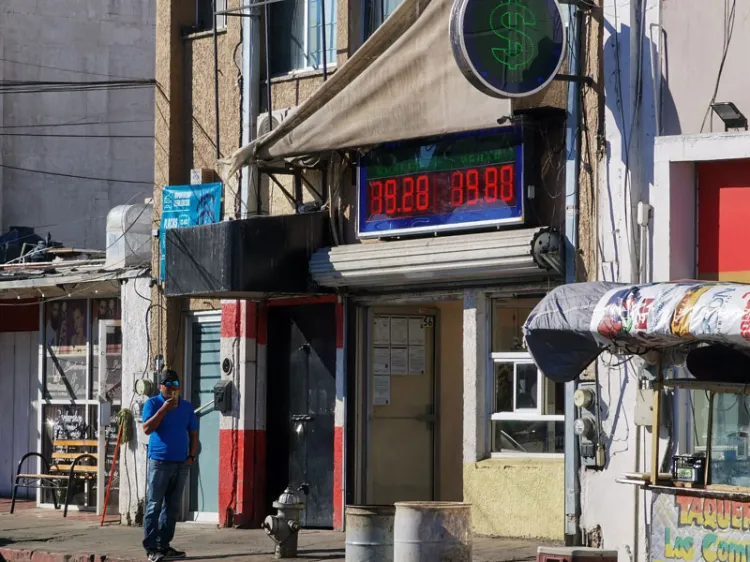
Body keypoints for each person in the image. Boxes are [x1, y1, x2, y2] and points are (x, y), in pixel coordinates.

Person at [142, 371, 199, 562]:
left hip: (181, 463)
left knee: (172, 507)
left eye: (176, 383)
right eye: (168, 383)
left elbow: (193, 433)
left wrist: (191, 455)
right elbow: (147, 429)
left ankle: (164, 546)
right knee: (154, 505)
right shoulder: (152, 404)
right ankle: (151, 548)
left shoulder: (186, 406)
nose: (173, 386)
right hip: (159, 462)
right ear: (160, 386)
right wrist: (163, 410)